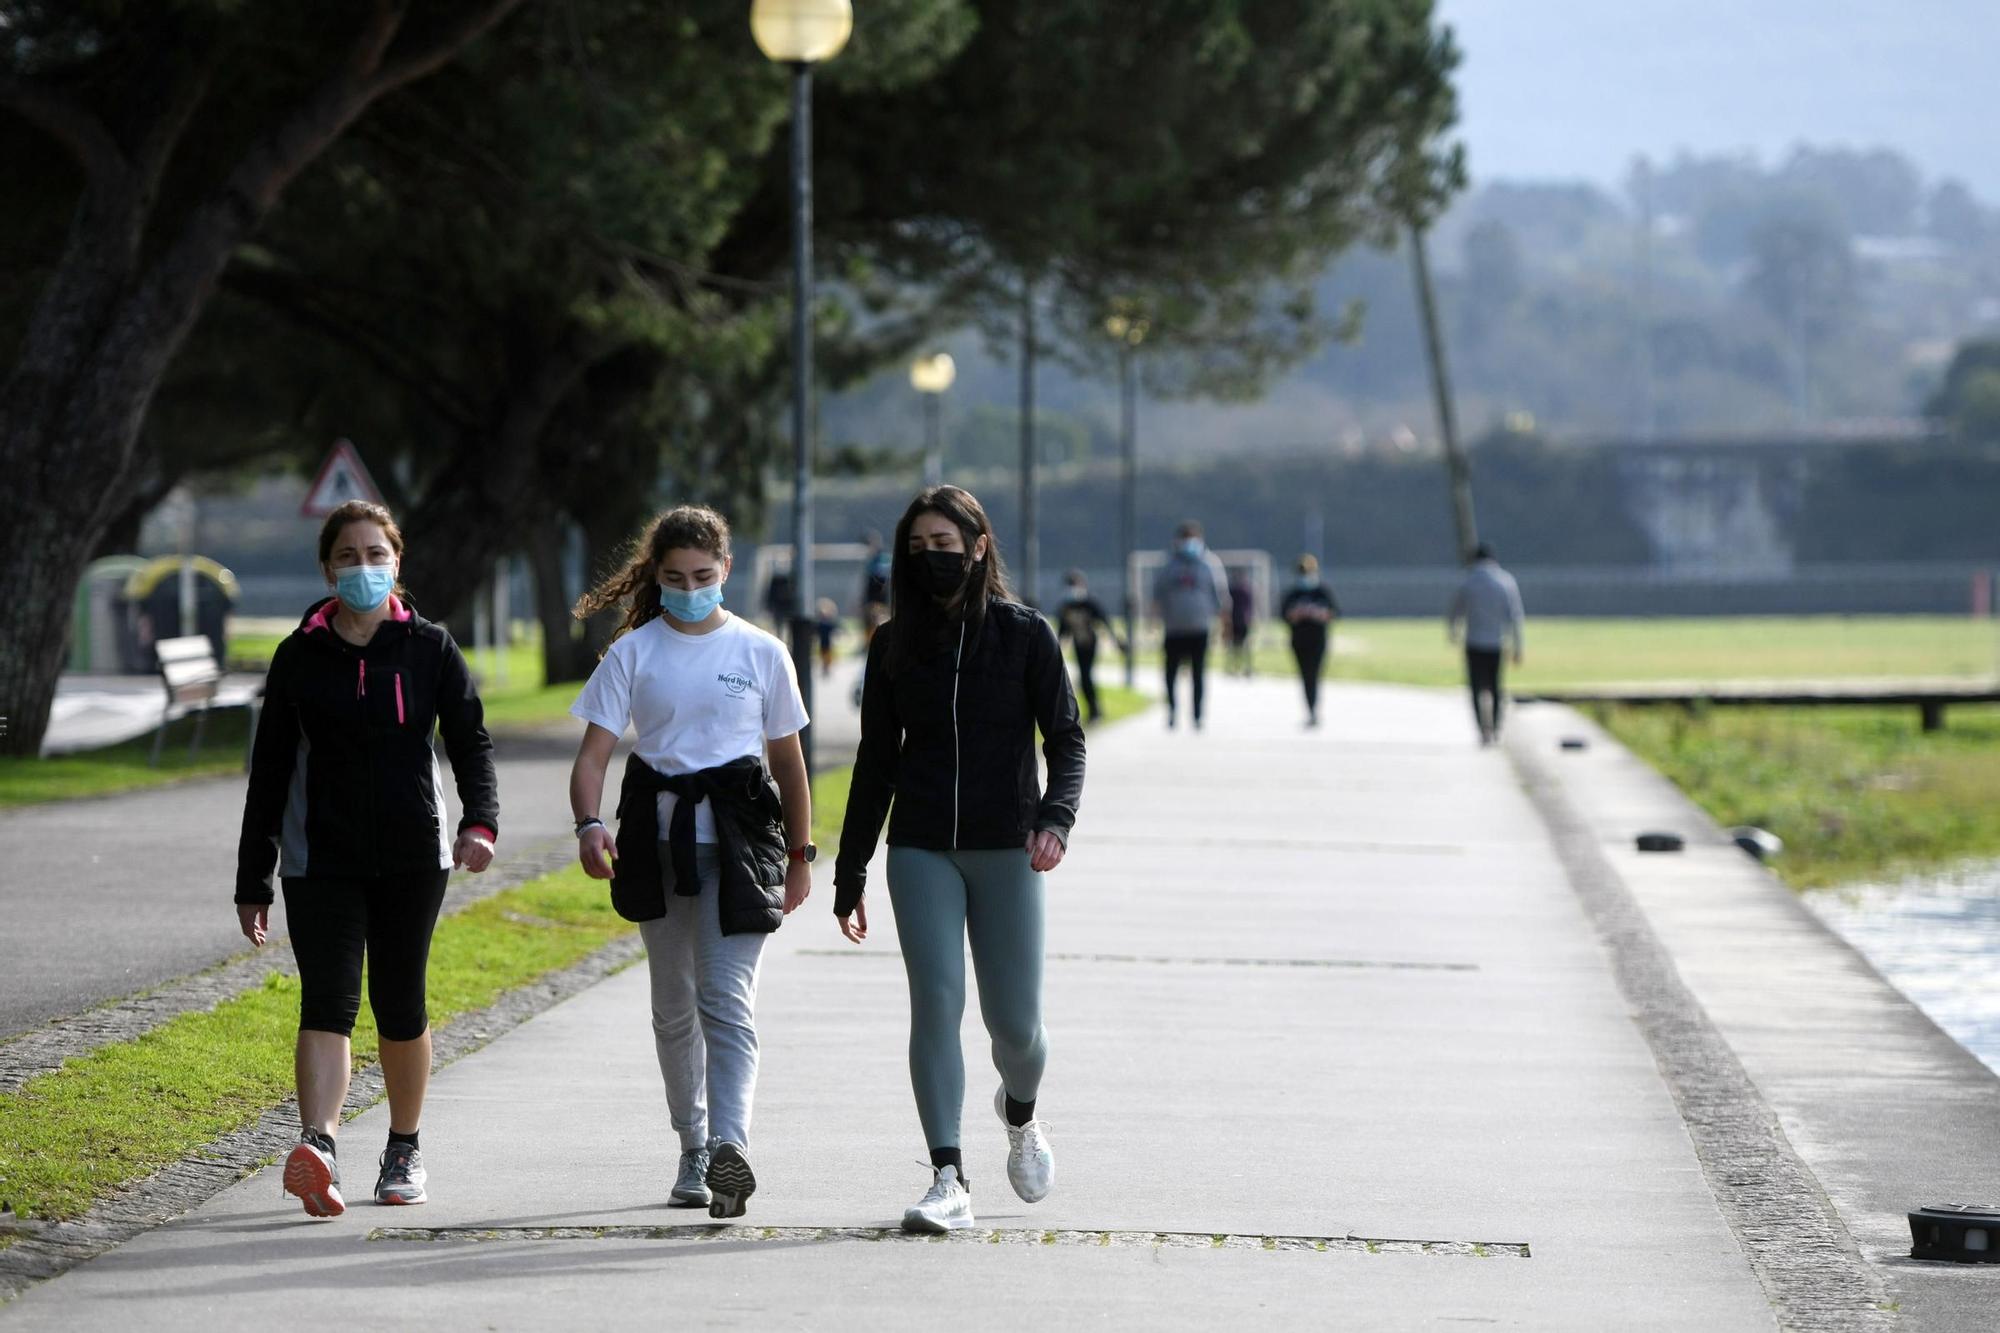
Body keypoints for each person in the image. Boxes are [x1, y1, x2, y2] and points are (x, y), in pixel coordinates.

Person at [234, 499, 499, 1218]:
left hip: (416, 854)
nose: (363, 568)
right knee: (326, 999)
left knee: (400, 1001)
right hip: (319, 858)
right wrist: (252, 878)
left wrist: (482, 821)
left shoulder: (430, 647)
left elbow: (471, 740)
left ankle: (404, 1146)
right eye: (348, 556)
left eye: (375, 554)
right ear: (327, 568)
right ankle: (317, 1146)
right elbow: (269, 773)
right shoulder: (299, 656)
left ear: (397, 562)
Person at [834, 485, 1086, 1234]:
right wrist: (850, 872)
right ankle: (948, 1176)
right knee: (937, 1004)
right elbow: (875, 762)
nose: (930, 558)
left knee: (1016, 1029)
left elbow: (1066, 739)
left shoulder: (1026, 634)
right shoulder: (892, 644)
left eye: (944, 544)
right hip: (918, 849)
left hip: (1008, 845)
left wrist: (1056, 819)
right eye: (918, 549)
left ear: (978, 546)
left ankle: (1021, 1113)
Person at [567, 505, 813, 1220]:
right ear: (658, 577)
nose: (689, 588)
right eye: (674, 577)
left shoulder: (762, 651)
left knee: (726, 1002)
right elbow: (592, 759)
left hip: (740, 843)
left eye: (703, 576)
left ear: (726, 571)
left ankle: (731, 1146)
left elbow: (789, 764)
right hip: (656, 840)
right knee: (673, 1007)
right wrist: (588, 824)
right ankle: (693, 1145)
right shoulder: (634, 653)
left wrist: (800, 856)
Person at [1151, 520, 1230, 730]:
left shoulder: (1209, 564)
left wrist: (1225, 626)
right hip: (1174, 629)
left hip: (1200, 629)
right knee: (1170, 674)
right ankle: (1172, 711)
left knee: (1198, 674)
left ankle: (1197, 714)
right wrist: (1152, 621)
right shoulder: (1168, 565)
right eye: (1185, 538)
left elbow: (1220, 597)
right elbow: (1157, 596)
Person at [1447, 542, 1526, 745]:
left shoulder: (1469, 581)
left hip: (1474, 641)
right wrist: (1518, 646)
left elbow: (1456, 610)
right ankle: (1496, 727)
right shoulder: (1505, 581)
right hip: (1496, 642)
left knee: (1475, 687)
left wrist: (1453, 632)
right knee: (1496, 686)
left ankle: (1482, 728)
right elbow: (1515, 616)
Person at [1055, 569, 1126, 723]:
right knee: (1083, 677)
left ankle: (1095, 710)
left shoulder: (1090, 603)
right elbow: (1062, 631)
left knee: (1086, 675)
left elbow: (1104, 621)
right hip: (1078, 644)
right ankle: (1093, 710)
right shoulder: (1066, 607)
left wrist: (1116, 641)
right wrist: (1055, 650)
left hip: (1090, 643)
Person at [1280, 555, 1340, 727]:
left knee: (1315, 675)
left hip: (1318, 640)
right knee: (1305, 675)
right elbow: (1284, 615)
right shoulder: (1293, 593)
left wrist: (1318, 614)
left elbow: (1334, 612)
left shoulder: (1322, 591)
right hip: (1299, 641)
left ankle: (1314, 709)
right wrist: (1298, 613)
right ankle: (1310, 708)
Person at [1226, 571, 1256, 677]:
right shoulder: (1236, 590)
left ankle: (1243, 668)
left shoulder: (1243, 591)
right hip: (1236, 620)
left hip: (1242, 620)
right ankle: (1235, 667)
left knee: (1243, 646)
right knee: (1236, 646)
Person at [815, 597, 840, 678]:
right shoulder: (822, 625)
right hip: (824, 644)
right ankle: (825, 669)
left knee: (827, 658)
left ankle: (826, 669)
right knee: (824, 657)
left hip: (827, 644)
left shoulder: (825, 625)